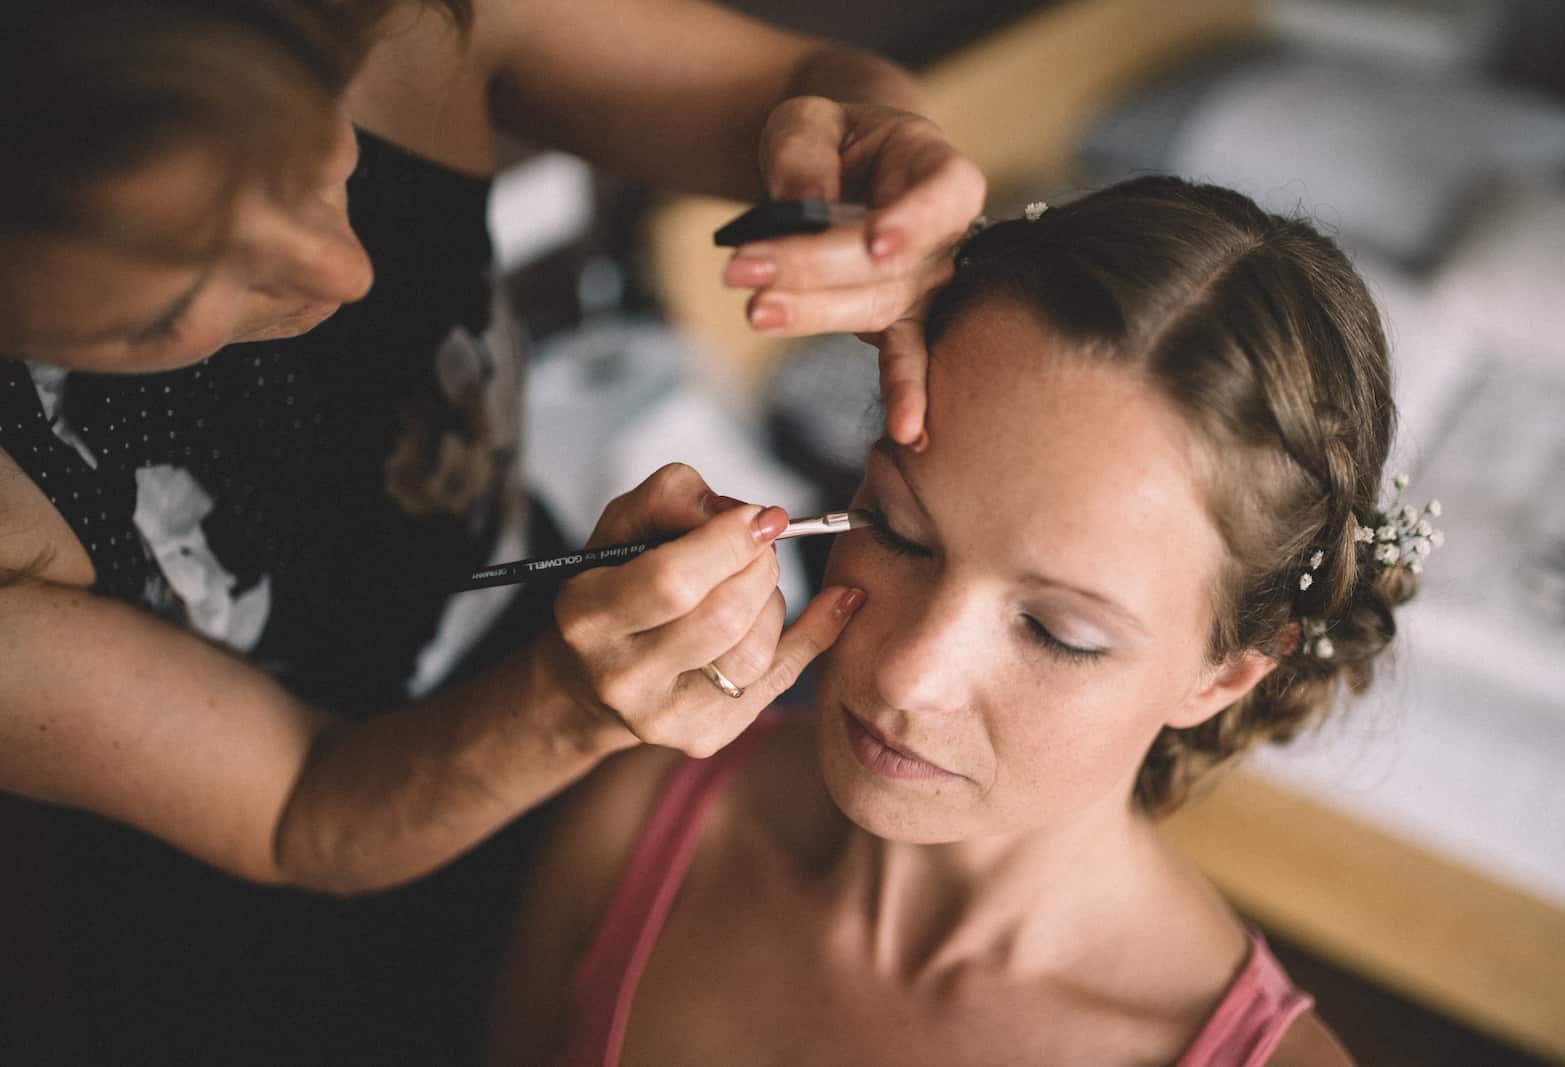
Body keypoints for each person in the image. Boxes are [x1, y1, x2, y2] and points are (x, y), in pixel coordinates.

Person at [0, 0, 981, 1060]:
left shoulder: (411, 17)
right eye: (164, 310)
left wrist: (873, 160)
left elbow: (803, 78)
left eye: (309, 159)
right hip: (278, 882)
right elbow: (300, 812)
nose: (346, 272)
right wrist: (561, 704)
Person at [488, 177, 1432, 1065]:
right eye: (898, 531)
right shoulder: (644, 819)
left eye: (1058, 630)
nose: (906, 673)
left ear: (1222, 674)